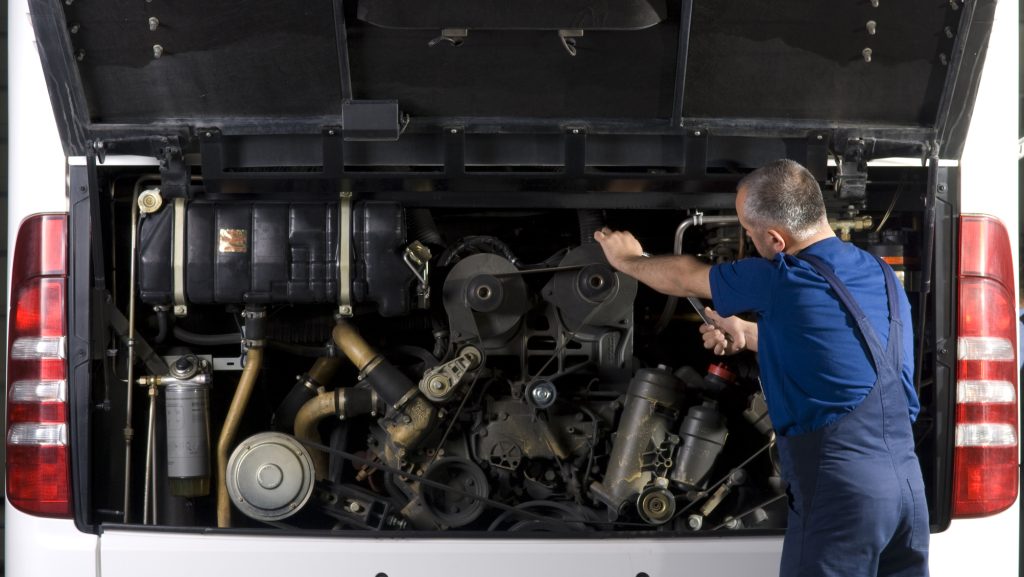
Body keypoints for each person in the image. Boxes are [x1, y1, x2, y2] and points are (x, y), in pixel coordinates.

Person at [594, 159, 929, 577]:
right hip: (907, 490)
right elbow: (837, 346)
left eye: (749, 233)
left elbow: (685, 277)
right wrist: (747, 334)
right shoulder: (879, 273)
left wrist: (629, 260)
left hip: (841, 493)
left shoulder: (781, 278)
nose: (749, 243)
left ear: (775, 237)